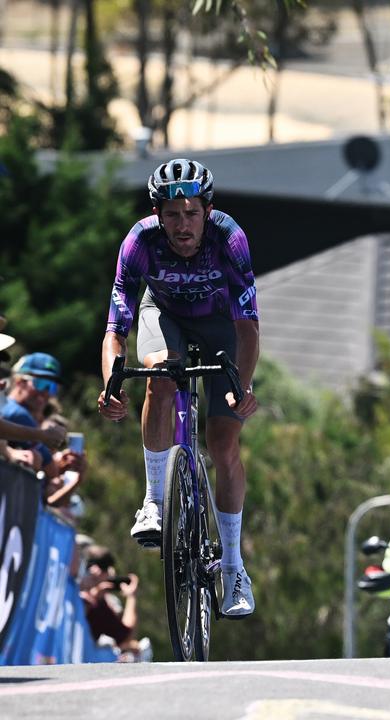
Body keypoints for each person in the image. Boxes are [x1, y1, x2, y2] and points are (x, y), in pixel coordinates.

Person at [96, 158, 260, 618]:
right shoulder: (140, 241)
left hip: (220, 325)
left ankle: (232, 567)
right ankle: (153, 500)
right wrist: (111, 380)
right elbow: (116, 326)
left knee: (224, 444)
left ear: (207, 210)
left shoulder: (229, 240)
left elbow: (247, 327)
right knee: (161, 377)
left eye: (190, 213)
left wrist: (240, 388)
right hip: (162, 315)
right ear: (157, 213)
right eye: (172, 214)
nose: (182, 224)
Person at [3, 353, 77, 473]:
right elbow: (52, 470)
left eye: (52, 387)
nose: (46, 392)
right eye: (41, 383)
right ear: (19, 381)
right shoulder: (18, 414)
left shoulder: (7, 406)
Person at [78, 545, 146, 660]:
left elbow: (123, 636)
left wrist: (131, 597)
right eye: (87, 565)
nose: (94, 570)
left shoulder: (99, 603)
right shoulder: (92, 600)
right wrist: (132, 597)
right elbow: (126, 637)